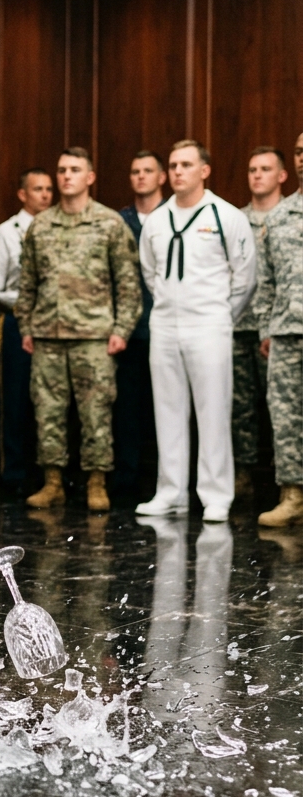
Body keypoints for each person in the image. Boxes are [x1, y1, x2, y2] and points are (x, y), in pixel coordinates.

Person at [15, 147, 142, 513]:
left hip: (95, 337)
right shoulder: (40, 225)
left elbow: (128, 284)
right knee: (48, 413)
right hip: (48, 336)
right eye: (61, 170)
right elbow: (28, 284)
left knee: (96, 414)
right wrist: (26, 325)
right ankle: (53, 482)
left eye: (74, 170)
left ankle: (97, 482)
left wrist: (121, 329)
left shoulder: (109, 224)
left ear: (90, 177)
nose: (66, 175)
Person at [137, 140, 256, 523]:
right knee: (167, 410)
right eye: (172, 165)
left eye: (186, 164)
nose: (177, 172)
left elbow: (245, 279)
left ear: (204, 170)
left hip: (210, 325)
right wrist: (173, 308)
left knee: (214, 410)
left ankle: (216, 495)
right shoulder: (157, 219)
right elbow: (150, 273)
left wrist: (220, 315)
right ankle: (171, 492)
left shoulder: (226, 215)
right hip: (166, 325)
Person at [0, 169, 53, 493]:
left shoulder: (56, 229)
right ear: (22, 194)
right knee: (15, 401)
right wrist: (32, 301)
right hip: (16, 321)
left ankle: (47, 477)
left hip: (53, 326)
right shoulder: (6, 233)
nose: (45, 195)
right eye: (37, 189)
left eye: (48, 189)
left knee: (49, 402)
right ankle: (14, 476)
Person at [232, 146, 287, 496]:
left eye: (265, 168)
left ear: (281, 175)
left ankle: (287, 481)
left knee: (284, 409)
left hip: (281, 328)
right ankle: (242, 476)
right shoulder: (235, 219)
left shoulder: (289, 217)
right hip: (240, 326)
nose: (257, 175)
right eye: (252, 169)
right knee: (239, 407)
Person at [112, 150, 167, 497]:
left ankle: (170, 485)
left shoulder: (175, 217)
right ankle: (127, 482)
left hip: (167, 329)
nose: (141, 176)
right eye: (135, 171)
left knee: (168, 412)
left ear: (162, 177)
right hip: (129, 334)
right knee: (127, 412)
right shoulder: (118, 221)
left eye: (148, 170)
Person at [256, 130, 303, 528]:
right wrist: (265, 330)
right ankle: (292, 496)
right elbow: (266, 280)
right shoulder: (278, 216)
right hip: (287, 332)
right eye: (300, 151)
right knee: (286, 417)